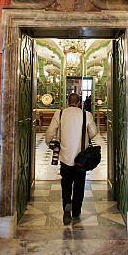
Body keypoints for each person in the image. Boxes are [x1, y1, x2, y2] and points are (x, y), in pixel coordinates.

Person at [45, 92, 98, 225]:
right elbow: (94, 132)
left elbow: (50, 132)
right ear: (79, 102)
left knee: (66, 184)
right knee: (79, 185)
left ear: (67, 101)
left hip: (65, 157)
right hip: (81, 159)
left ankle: (66, 208)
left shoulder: (60, 113)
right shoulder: (87, 115)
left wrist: (49, 143)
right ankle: (76, 211)